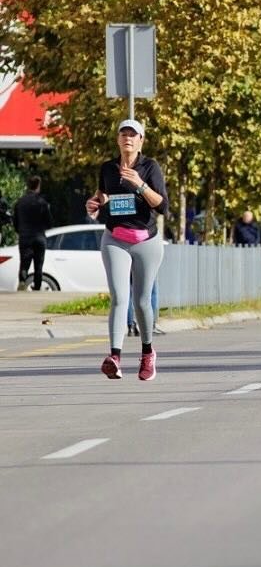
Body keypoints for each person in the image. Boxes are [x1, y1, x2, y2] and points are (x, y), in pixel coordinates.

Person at [86, 119, 168, 381]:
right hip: (115, 238)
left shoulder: (150, 167)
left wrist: (140, 185)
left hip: (146, 240)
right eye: (124, 134)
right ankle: (115, 357)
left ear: (141, 140)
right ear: (118, 139)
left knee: (142, 300)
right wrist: (94, 204)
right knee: (119, 298)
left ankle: (147, 354)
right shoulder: (108, 168)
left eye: (133, 135)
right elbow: (102, 196)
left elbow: (163, 206)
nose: (128, 139)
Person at [14, 175, 52, 292]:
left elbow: (15, 221)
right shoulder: (42, 203)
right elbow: (49, 222)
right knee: (38, 265)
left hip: (25, 237)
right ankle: (37, 287)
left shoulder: (20, 203)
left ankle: (22, 282)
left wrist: (20, 231)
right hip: (39, 237)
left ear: (28, 186)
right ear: (38, 186)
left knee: (24, 263)